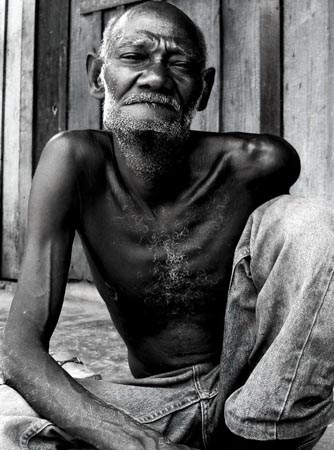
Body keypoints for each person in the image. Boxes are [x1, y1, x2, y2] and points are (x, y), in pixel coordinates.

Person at [1, 2, 334, 449]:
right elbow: (20, 353)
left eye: (178, 64)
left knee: (316, 222)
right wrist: (141, 442)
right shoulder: (74, 162)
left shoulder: (256, 164)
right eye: (134, 57)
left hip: (257, 398)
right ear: (97, 75)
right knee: (8, 408)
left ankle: (256, 441)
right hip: (153, 404)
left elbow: (309, 287)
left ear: (203, 89)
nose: (156, 77)